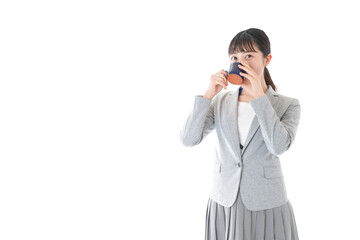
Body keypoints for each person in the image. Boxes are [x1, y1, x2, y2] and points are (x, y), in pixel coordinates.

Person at [179, 28, 301, 240]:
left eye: (249, 56)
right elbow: (188, 139)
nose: (241, 61)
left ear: (267, 59)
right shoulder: (220, 102)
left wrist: (258, 98)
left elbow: (279, 146)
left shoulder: (287, 104)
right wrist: (208, 94)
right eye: (234, 57)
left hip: (266, 202)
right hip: (224, 199)